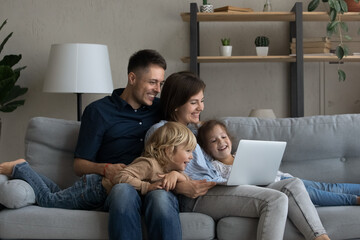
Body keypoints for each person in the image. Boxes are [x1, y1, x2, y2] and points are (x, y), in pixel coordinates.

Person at [145, 71, 331, 240]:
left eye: (202, 100)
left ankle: (320, 237)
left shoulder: (194, 132)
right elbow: (152, 170)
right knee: (276, 199)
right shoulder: (161, 130)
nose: (200, 107)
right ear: (176, 104)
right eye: (194, 102)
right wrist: (181, 185)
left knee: (293, 184)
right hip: (197, 197)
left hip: (217, 185)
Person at [73, 49, 183, 240]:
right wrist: (105, 168)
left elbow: (188, 128)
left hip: (156, 182)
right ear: (132, 78)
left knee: (160, 198)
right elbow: (79, 164)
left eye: (160, 83)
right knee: (124, 192)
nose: (158, 89)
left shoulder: (160, 109)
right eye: (152, 82)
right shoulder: (98, 111)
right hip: (120, 185)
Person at [0, 122, 196, 210]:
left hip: (95, 190)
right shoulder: (149, 164)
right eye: (187, 151)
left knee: (57, 193)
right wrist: (146, 187)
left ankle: (27, 170)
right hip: (95, 190)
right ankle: (21, 168)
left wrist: (178, 177)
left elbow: (185, 181)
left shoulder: (172, 170)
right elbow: (121, 177)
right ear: (169, 151)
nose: (191, 156)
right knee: (49, 201)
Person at [197, 119, 360, 207]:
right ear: (206, 148)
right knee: (314, 195)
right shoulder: (215, 167)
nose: (221, 142)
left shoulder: (243, 153)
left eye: (223, 137)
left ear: (229, 138)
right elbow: (222, 182)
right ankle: (354, 200)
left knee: (326, 187)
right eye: (213, 140)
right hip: (277, 189)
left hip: (284, 179)